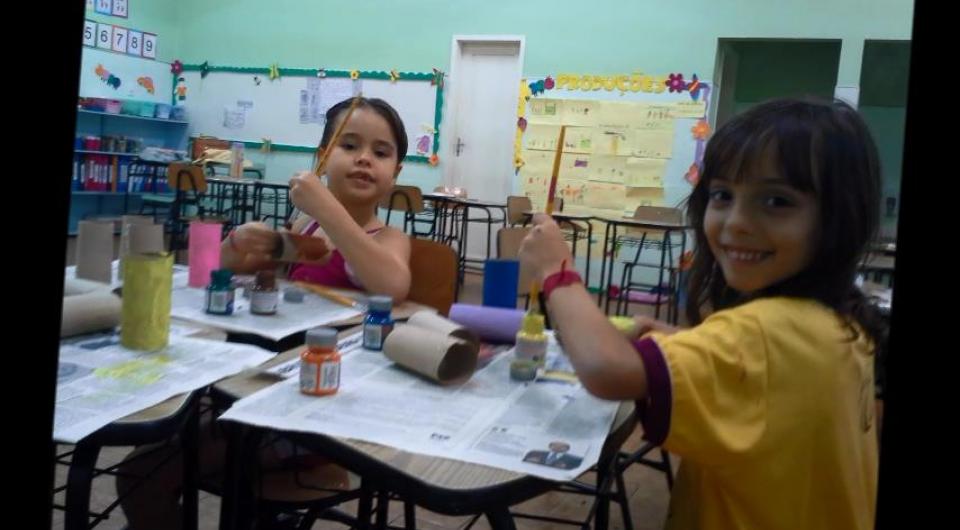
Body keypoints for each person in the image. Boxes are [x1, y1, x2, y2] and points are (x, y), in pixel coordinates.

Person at [519, 98, 884, 530]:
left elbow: (605, 371)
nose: (736, 222)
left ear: (840, 217)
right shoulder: (839, 319)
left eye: (776, 201)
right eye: (722, 195)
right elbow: (763, 375)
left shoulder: (764, 330)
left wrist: (556, 270)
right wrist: (669, 337)